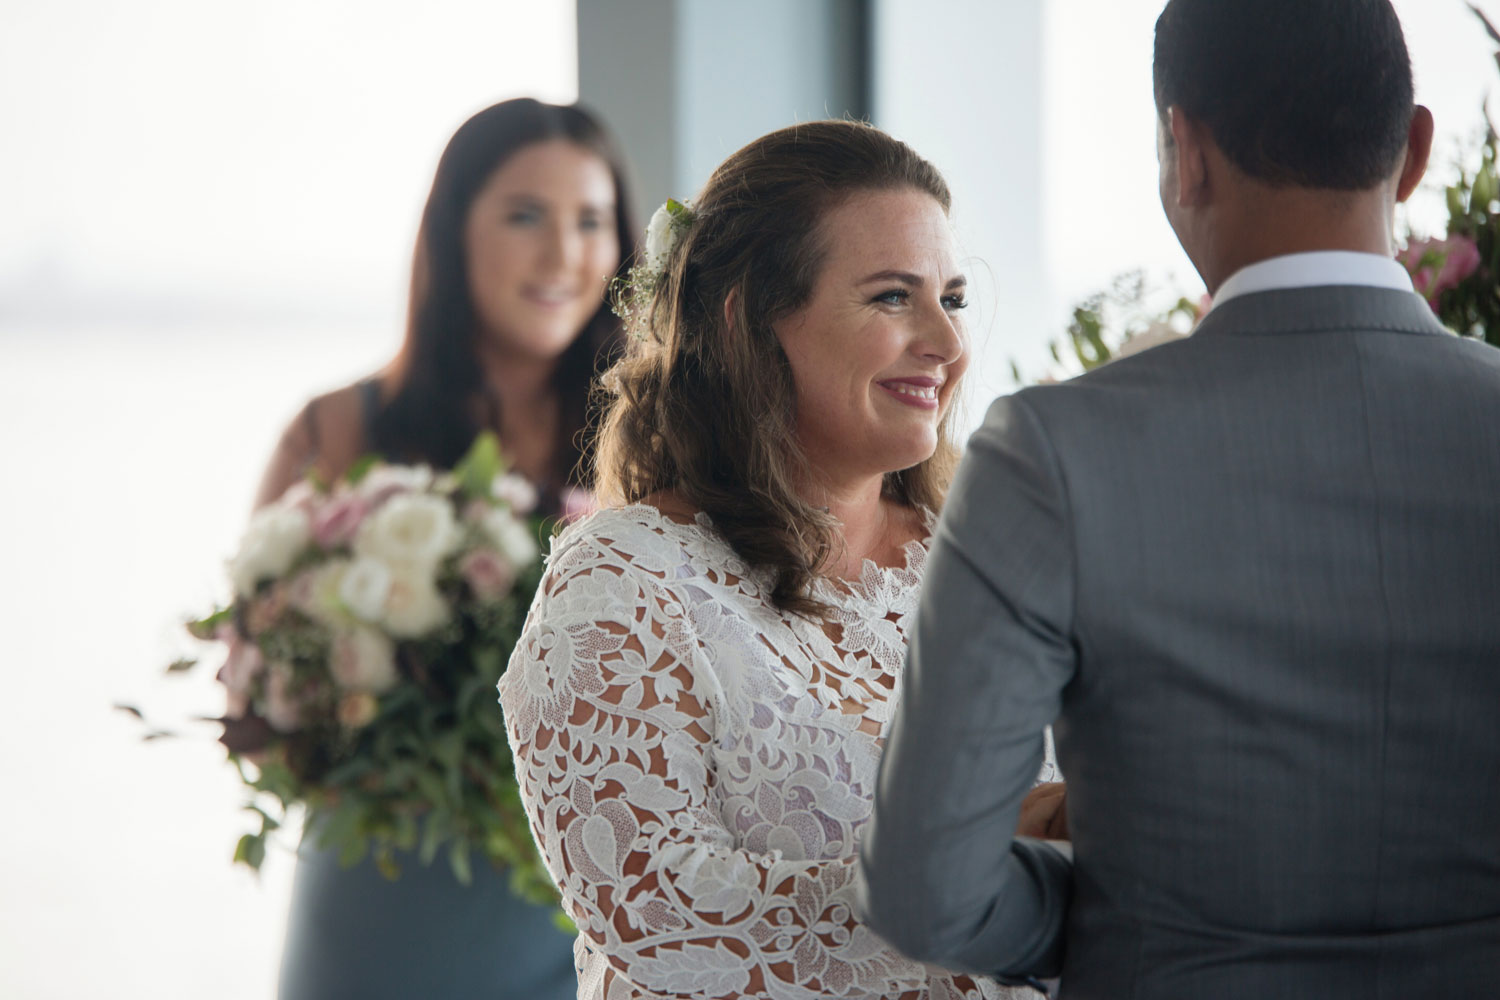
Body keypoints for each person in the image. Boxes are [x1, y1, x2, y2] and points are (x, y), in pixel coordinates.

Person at [860, 0, 1500, 996]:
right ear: (1415, 149)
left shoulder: (1052, 454)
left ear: (1183, 150)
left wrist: (1123, 920)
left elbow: (925, 891)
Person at [498, 119, 1060, 1000]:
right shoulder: (623, 582)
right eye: (890, 298)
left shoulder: (995, 559)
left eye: (951, 299)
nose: (947, 348)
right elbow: (659, 913)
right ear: (750, 322)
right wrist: (981, 875)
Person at [257, 97, 639, 1000]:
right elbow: (261, 685)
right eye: (523, 216)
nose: (563, 255)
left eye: (591, 220)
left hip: (576, 909)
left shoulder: (654, 444)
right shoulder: (340, 429)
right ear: (451, 233)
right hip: (381, 898)